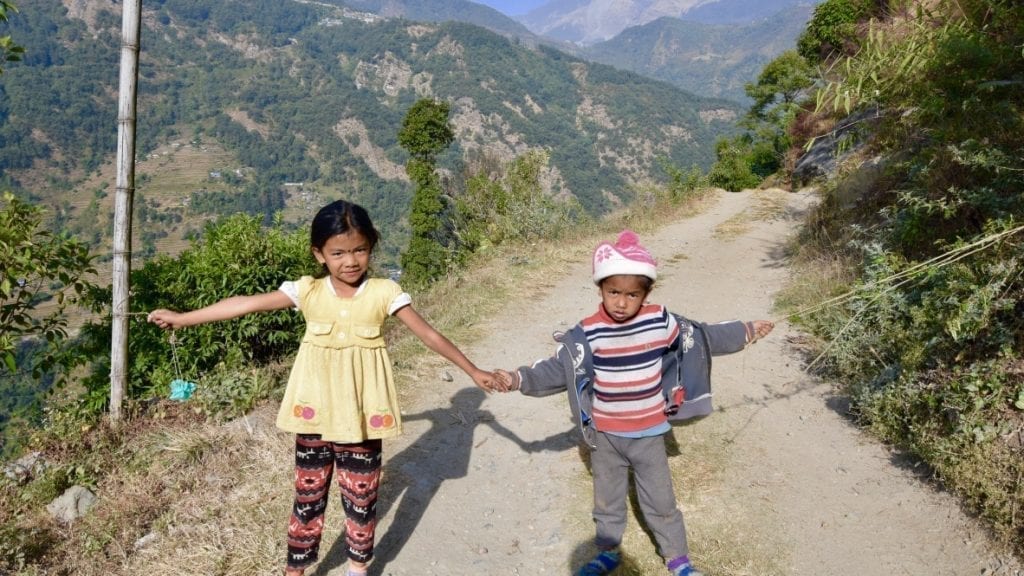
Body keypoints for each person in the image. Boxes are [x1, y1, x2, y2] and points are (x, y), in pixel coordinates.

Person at [148, 199, 499, 576]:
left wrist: (472, 370)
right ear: (319, 254)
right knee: (308, 498)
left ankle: (358, 567)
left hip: (361, 419)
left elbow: (428, 334)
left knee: (361, 498)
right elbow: (245, 305)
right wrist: (184, 319)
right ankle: (296, 569)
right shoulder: (308, 292)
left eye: (359, 250)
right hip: (314, 416)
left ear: (372, 247)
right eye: (338, 253)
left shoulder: (384, 293)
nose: (350, 261)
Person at [493, 230, 774, 576]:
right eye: (613, 292)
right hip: (606, 436)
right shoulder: (587, 333)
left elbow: (701, 336)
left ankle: (677, 558)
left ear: (647, 293)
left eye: (632, 294)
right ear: (600, 289)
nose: (622, 303)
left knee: (660, 500)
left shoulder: (659, 321)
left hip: (649, 433)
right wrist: (518, 378)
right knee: (607, 498)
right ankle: (608, 551)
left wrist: (745, 331)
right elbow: (558, 368)